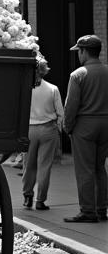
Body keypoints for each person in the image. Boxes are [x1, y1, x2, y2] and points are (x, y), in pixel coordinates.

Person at [62, 34, 108, 223]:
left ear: (83, 52)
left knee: (85, 169)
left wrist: (68, 126)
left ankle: (88, 211)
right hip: (106, 123)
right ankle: (101, 208)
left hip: (85, 125)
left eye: (79, 51)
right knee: (100, 168)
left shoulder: (78, 74)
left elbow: (71, 105)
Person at [21, 58, 63, 211]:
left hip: (30, 129)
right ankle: (40, 200)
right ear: (44, 70)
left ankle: (27, 196)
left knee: (28, 164)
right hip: (48, 129)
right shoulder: (52, 89)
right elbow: (60, 113)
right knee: (44, 166)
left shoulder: (25, 89)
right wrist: (59, 129)